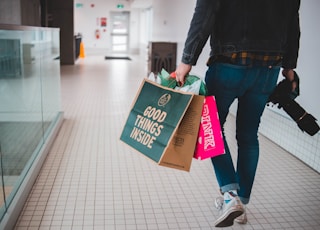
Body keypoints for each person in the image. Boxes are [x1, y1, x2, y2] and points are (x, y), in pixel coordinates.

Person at [174, 0, 301, 227]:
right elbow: (293, 23)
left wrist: (187, 61)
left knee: (211, 127)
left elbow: (204, 14)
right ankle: (241, 203)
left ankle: (230, 197)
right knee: (248, 135)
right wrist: (289, 69)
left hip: (228, 65)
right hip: (268, 69)